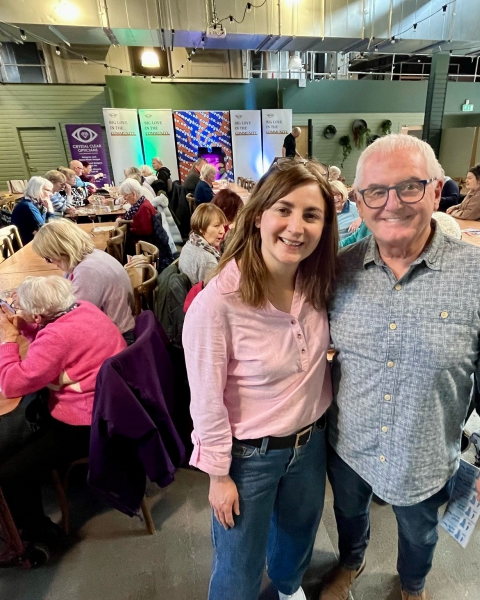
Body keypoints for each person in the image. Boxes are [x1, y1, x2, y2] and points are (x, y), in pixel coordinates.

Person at [322, 135, 480, 600]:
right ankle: (351, 562)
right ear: (358, 200)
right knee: (349, 517)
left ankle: (412, 586)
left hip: (425, 455)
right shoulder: (339, 271)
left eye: (409, 187)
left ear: (436, 192)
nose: (391, 203)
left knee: (420, 535)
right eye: (375, 191)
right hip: (350, 445)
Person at [184, 158, 337, 600]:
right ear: (257, 217)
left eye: (311, 215)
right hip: (249, 457)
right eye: (284, 210)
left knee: (296, 541)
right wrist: (217, 475)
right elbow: (206, 399)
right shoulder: (218, 304)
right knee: (238, 566)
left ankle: (288, 590)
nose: (296, 226)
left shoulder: (317, 283)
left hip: (309, 444)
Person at [0, 276, 125, 547]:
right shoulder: (84, 308)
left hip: (86, 423)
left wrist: (8, 341)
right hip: (112, 408)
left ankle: (42, 537)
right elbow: (55, 345)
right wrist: (27, 328)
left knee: (10, 474)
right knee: (22, 444)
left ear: (38, 315)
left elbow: (11, 384)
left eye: (23, 308)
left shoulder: (56, 336)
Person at [32, 219, 135, 342]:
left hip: (119, 339)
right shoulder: (89, 257)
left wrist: (35, 317)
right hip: (118, 330)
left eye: (48, 258)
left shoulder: (88, 271)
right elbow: (63, 296)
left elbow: (72, 318)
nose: (50, 263)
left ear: (62, 252)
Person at [119, 178, 174, 271]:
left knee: (120, 248)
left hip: (143, 246)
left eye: (125, 196)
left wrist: (130, 229)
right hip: (143, 243)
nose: (125, 199)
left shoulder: (144, 207)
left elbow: (146, 231)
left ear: (134, 193)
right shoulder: (142, 202)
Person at [178, 203, 226, 286]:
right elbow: (213, 294)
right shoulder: (207, 260)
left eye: (223, 226)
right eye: (216, 226)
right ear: (201, 228)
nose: (223, 231)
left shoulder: (190, 242)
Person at [11, 176, 53, 244]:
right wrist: (50, 210)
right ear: (37, 189)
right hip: (27, 246)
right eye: (48, 190)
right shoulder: (28, 206)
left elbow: (46, 228)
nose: (51, 194)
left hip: (38, 241)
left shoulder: (37, 203)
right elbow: (46, 230)